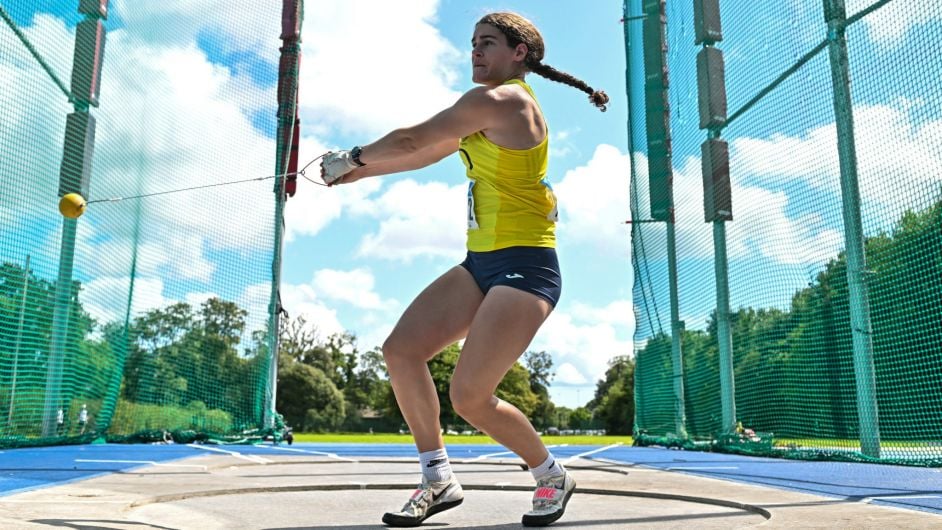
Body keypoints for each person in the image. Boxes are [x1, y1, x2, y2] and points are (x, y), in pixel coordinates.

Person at [320, 11, 607, 528]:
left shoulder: (503, 101)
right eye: (472, 43)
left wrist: (353, 155)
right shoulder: (484, 113)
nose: (475, 52)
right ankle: (437, 478)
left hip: (527, 265)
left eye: (488, 43)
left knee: (470, 395)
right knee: (401, 350)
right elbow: (425, 153)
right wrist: (357, 176)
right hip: (481, 263)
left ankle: (551, 474)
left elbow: (411, 138)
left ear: (519, 54)